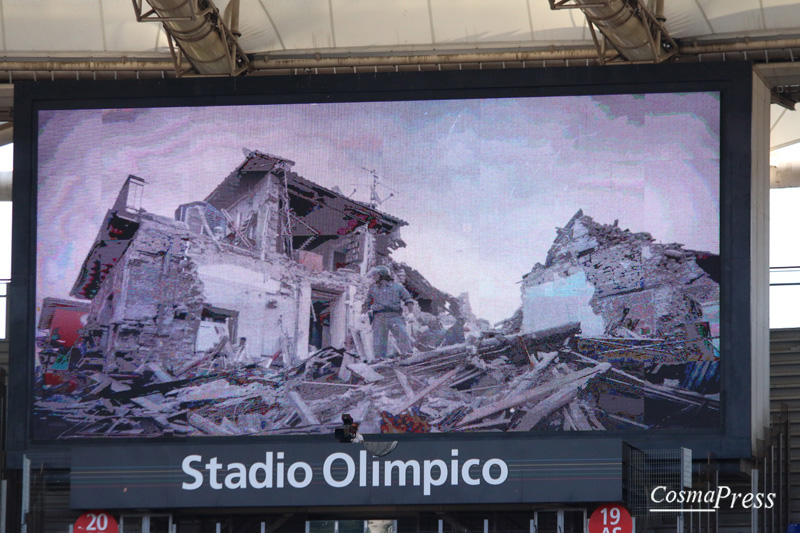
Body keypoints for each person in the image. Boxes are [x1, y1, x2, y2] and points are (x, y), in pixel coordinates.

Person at [363, 265, 415, 359]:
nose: (373, 277)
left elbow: (408, 300)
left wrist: (411, 313)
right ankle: (380, 359)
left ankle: (408, 355)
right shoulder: (373, 289)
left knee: (402, 334)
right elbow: (367, 303)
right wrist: (362, 313)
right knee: (378, 340)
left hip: (394, 316)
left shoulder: (397, 287)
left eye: (375, 275)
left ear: (382, 275)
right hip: (379, 317)